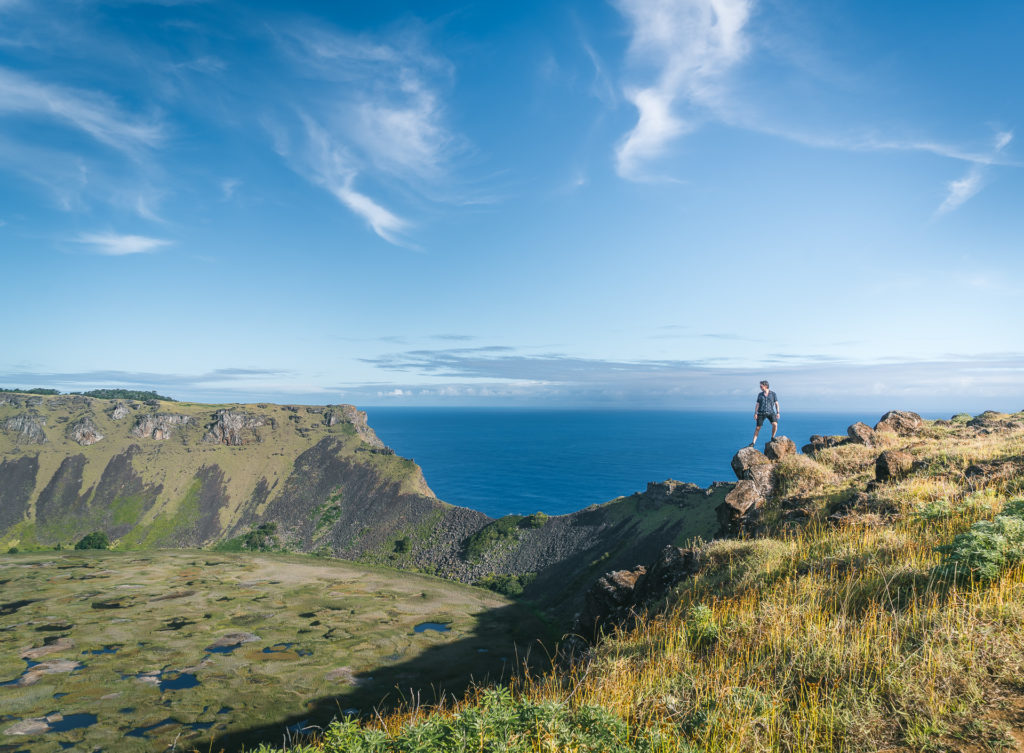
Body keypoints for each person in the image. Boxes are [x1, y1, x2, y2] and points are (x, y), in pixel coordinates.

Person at [750, 380, 780, 446]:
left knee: (775, 424)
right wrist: (755, 413)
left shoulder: (773, 394)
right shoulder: (760, 394)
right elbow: (757, 404)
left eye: (761, 386)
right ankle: (753, 443)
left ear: (765, 386)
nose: (760, 387)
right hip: (761, 412)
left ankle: (772, 437)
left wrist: (778, 412)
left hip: (771, 412)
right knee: (758, 428)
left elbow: (776, 404)